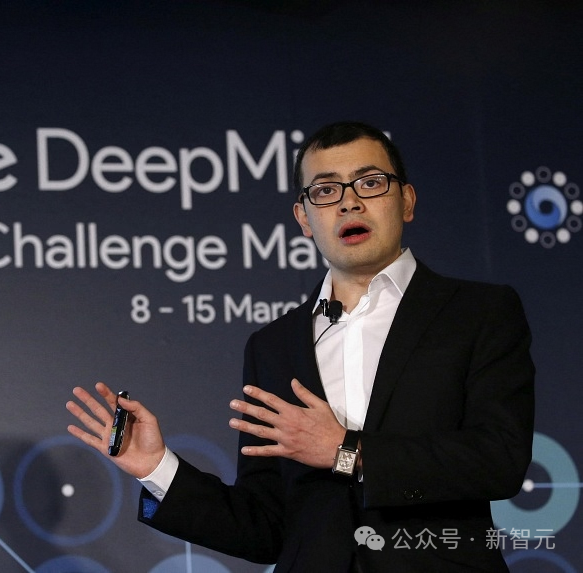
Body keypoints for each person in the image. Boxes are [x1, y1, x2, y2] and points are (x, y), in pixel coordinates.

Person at [66, 121, 535, 572]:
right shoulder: (273, 346)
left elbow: (500, 460)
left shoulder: (477, 312)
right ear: (304, 218)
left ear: (406, 200)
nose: (349, 203)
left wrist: (347, 451)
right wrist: (157, 468)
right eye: (326, 190)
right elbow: (266, 527)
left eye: (370, 183)